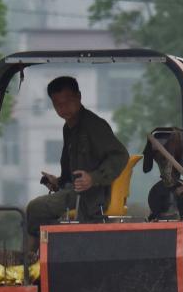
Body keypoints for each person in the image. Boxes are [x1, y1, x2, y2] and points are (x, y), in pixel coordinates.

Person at [26, 76, 129, 248]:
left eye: (68, 101)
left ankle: (30, 260)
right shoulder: (69, 128)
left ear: (79, 97)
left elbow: (120, 155)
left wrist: (93, 178)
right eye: (58, 104)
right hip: (77, 192)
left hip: (93, 196)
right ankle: (42, 255)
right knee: (39, 210)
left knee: (36, 208)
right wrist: (58, 182)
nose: (63, 108)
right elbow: (72, 172)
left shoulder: (93, 125)